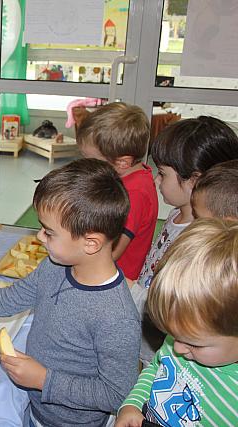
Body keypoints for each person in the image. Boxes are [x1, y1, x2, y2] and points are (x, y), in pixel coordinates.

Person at [0, 158, 141, 427]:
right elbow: (7, 299)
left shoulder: (117, 317)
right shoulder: (54, 266)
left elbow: (116, 394)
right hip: (36, 410)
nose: (40, 237)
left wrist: (44, 379)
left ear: (91, 243)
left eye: (49, 232)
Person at [132, 117, 238, 365]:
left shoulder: (202, 244)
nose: (156, 181)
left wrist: (122, 284)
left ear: (195, 180)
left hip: (167, 349)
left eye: (162, 173)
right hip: (145, 335)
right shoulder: (175, 214)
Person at [115, 219, 238, 427]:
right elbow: (157, 368)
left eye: (194, 344)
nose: (177, 347)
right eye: (174, 335)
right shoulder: (184, 337)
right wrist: (132, 405)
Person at [76, 102, 158, 281]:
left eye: (91, 160)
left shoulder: (135, 193)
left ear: (122, 162)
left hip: (113, 280)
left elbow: (112, 253)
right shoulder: (126, 178)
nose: (86, 166)